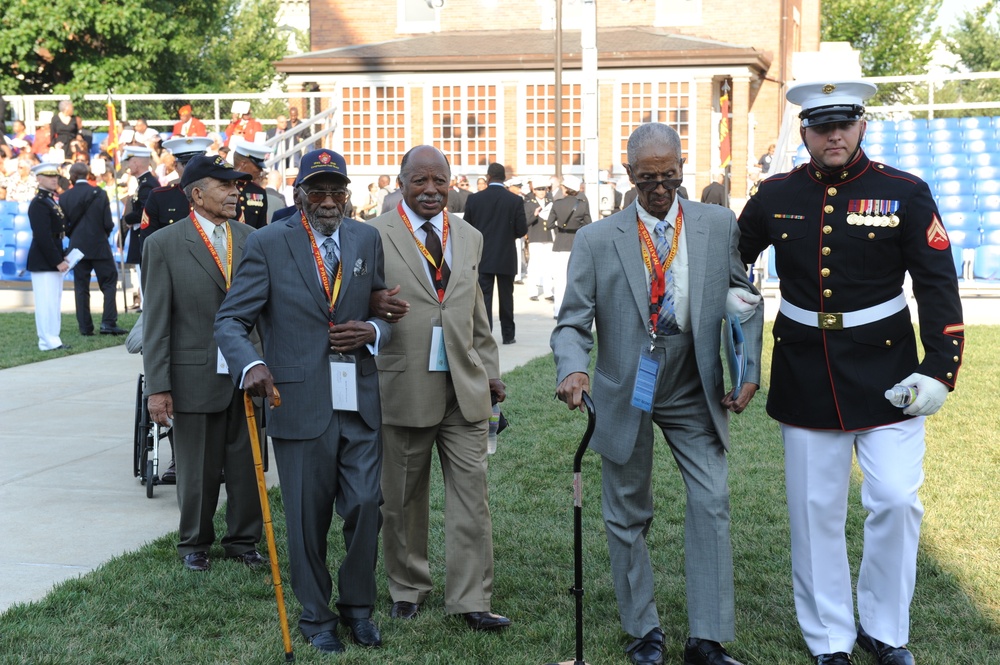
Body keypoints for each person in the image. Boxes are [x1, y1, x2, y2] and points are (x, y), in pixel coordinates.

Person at [737, 80, 964, 665]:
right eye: (820, 125)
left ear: (862, 126)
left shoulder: (903, 193)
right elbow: (732, 259)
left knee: (894, 501)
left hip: (889, 374)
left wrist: (940, 369)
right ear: (805, 133)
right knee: (815, 514)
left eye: (844, 123)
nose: (833, 134)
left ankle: (886, 631)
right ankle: (830, 640)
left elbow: (937, 283)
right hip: (806, 372)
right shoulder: (773, 194)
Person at [551, 122, 764, 665]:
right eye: (648, 179)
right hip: (628, 385)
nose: (661, 189)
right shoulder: (599, 239)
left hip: (694, 381)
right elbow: (572, 321)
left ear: (681, 169)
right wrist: (572, 369)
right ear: (629, 175)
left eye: (670, 176)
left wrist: (747, 366)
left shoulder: (717, 225)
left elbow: (744, 296)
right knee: (627, 511)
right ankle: (643, 631)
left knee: (712, 499)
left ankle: (706, 639)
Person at [215, 148, 391, 655]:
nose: (330, 200)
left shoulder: (366, 238)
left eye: (338, 190)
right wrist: (252, 364)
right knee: (306, 518)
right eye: (319, 191)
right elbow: (231, 320)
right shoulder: (270, 243)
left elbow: (380, 306)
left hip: (357, 397)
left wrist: (373, 330)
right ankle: (316, 617)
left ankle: (359, 609)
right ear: (300, 196)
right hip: (295, 400)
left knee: (366, 505)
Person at [368, 145, 512, 633]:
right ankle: (407, 589)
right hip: (403, 384)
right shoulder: (372, 233)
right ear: (401, 181)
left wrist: (489, 372)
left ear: (452, 181)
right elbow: (352, 305)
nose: (430, 190)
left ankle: (471, 598)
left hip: (464, 387)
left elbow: (476, 314)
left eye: (439, 180)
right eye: (420, 181)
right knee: (403, 497)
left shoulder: (469, 235)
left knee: (472, 496)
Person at [141, 154, 266, 574]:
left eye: (238, 185)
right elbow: (157, 322)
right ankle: (194, 543)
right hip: (193, 376)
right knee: (196, 468)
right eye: (225, 185)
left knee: (249, 464)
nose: (236, 192)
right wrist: (158, 387)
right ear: (197, 193)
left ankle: (243, 540)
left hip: (247, 371)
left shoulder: (253, 238)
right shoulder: (163, 244)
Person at [462, 164, 528, 344]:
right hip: (506, 254)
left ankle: (485, 336)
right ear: (504, 177)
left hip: (483, 256)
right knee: (507, 298)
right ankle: (508, 335)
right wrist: (508, 235)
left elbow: (467, 227)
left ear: (488, 176)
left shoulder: (474, 199)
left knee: (484, 299)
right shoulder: (514, 200)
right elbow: (521, 230)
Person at [60, 163, 126, 337]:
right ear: (87, 174)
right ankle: (108, 323)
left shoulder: (65, 196)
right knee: (109, 282)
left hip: (77, 247)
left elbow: (64, 225)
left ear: (72, 176)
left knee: (81, 287)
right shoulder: (100, 193)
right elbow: (107, 224)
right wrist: (100, 235)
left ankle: (85, 327)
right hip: (99, 245)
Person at [27, 162, 70, 351]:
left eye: (56, 176)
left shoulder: (50, 201)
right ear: (39, 179)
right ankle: (47, 341)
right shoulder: (39, 203)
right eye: (49, 176)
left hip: (51, 257)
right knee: (46, 302)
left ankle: (54, 338)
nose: (55, 179)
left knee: (53, 301)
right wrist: (57, 260)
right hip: (44, 260)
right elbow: (43, 236)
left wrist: (63, 257)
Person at [141, 137, 214, 237]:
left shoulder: (221, 195)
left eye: (198, 164)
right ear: (175, 166)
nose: (192, 169)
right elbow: (148, 240)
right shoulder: (159, 197)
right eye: (186, 164)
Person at [547, 174, 591, 317]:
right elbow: (588, 226)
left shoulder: (557, 203)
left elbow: (549, 224)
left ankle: (558, 310)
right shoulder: (582, 204)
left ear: (566, 189)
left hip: (560, 243)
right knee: (574, 279)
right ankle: (572, 311)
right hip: (576, 244)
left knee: (559, 280)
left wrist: (561, 226)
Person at [525, 178, 554, 302]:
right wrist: (535, 215)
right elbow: (525, 221)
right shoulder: (529, 203)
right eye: (539, 189)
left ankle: (548, 292)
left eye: (544, 189)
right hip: (535, 237)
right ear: (534, 190)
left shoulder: (550, 201)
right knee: (534, 265)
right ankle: (533, 291)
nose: (542, 192)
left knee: (548, 265)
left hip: (548, 236)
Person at [230, 138, 270, 229]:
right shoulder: (223, 186)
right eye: (257, 166)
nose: (260, 170)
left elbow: (261, 226)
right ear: (243, 164)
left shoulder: (259, 191)